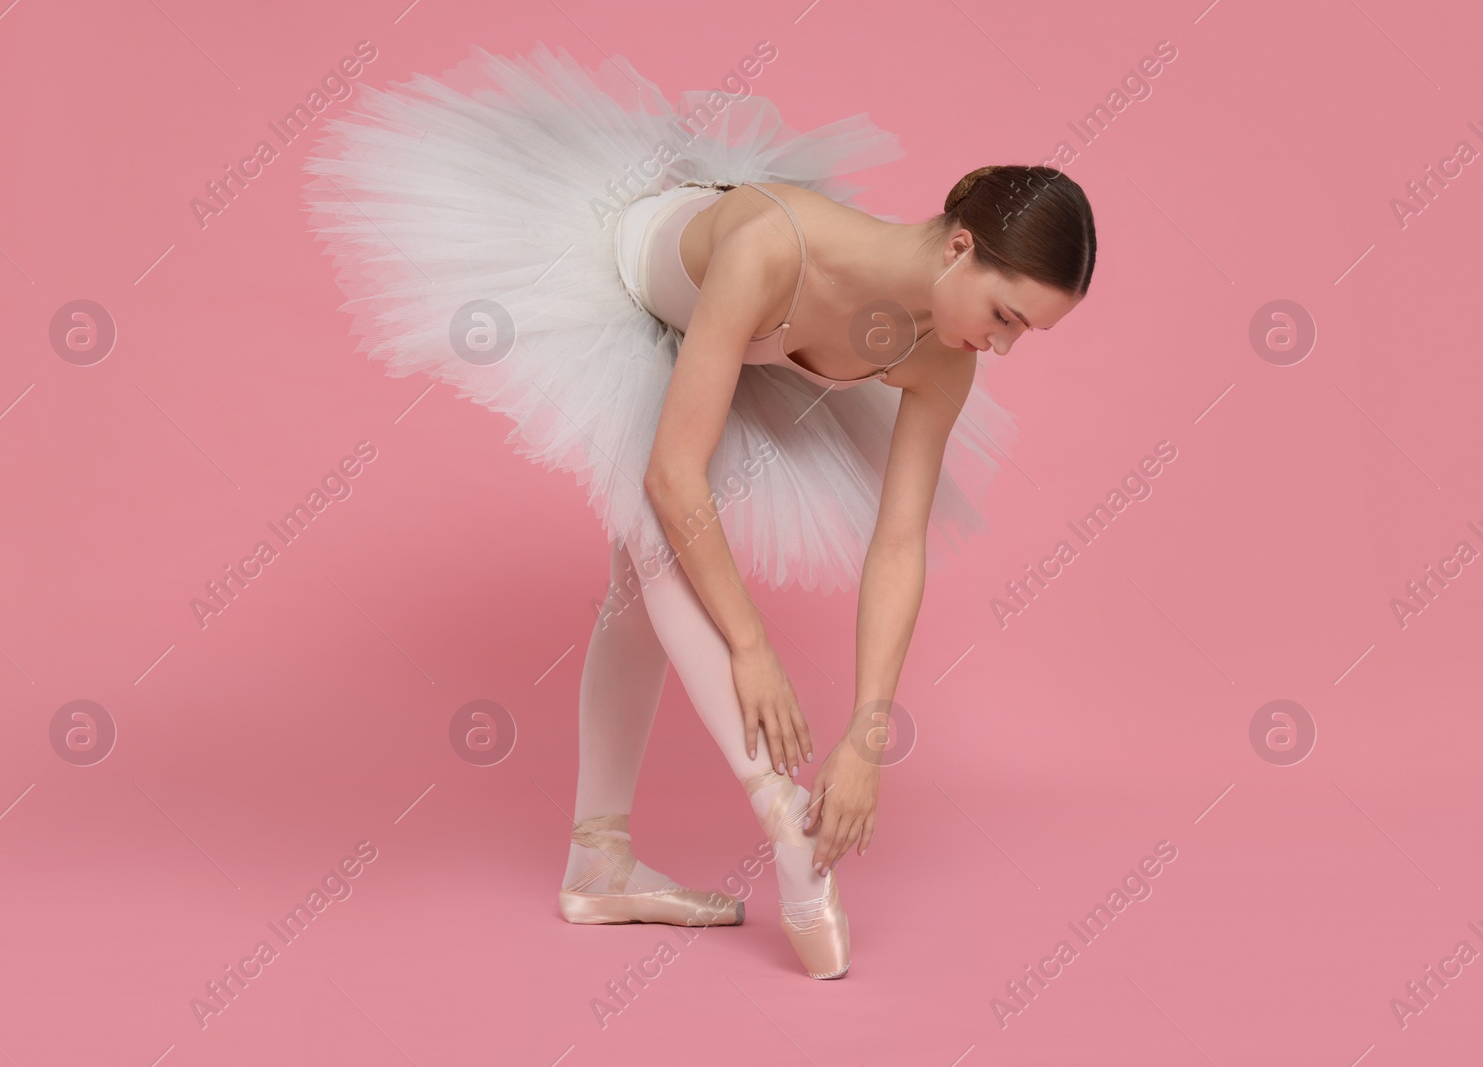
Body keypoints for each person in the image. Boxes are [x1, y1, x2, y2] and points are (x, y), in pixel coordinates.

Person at [302, 42, 1095, 981]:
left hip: (740, 344)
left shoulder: (942, 356)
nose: (1003, 348)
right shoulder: (771, 243)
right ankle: (782, 819)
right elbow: (674, 477)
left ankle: (599, 860)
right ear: (962, 246)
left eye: (1024, 335)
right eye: (1006, 316)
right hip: (629, 280)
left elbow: (899, 542)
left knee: (636, 593)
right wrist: (753, 645)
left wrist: (866, 735)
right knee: (658, 530)